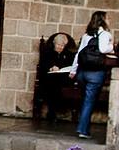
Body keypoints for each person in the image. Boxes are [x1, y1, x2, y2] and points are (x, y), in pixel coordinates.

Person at [70, 10, 114, 139]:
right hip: (95, 73)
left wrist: (73, 70)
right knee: (89, 102)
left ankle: (85, 128)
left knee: (85, 100)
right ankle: (83, 130)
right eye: (108, 18)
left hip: (82, 72)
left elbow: (79, 54)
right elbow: (103, 49)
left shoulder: (86, 35)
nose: (109, 20)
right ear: (103, 20)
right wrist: (111, 46)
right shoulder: (105, 34)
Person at [33, 30, 77, 124]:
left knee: (58, 85)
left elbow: (69, 65)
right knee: (52, 85)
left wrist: (61, 68)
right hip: (49, 78)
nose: (60, 48)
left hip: (62, 79)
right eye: (58, 45)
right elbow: (43, 65)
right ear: (54, 44)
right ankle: (52, 112)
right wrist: (51, 67)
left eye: (62, 46)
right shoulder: (48, 52)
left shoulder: (67, 54)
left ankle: (52, 112)